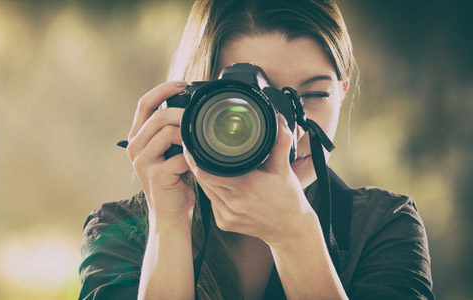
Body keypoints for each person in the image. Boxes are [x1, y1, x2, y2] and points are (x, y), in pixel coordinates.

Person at [78, 0, 434, 299]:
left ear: (341, 92)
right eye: (255, 101)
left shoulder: (383, 224)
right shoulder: (120, 231)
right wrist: (168, 227)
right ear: (195, 104)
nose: (289, 134)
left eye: (312, 96)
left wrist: (296, 234)